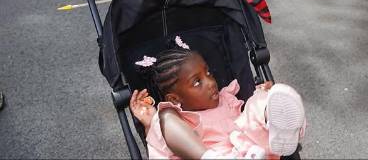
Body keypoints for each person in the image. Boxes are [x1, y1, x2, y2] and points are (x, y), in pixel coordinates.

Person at [130, 38, 306, 159]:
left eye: (208, 73)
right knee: (164, 118)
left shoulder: (226, 98)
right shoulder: (178, 119)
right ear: (175, 98)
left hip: (251, 150)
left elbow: (249, 122)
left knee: (264, 99)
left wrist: (263, 97)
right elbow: (161, 148)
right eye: (197, 82)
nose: (211, 82)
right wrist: (150, 123)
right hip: (212, 153)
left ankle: (281, 130)